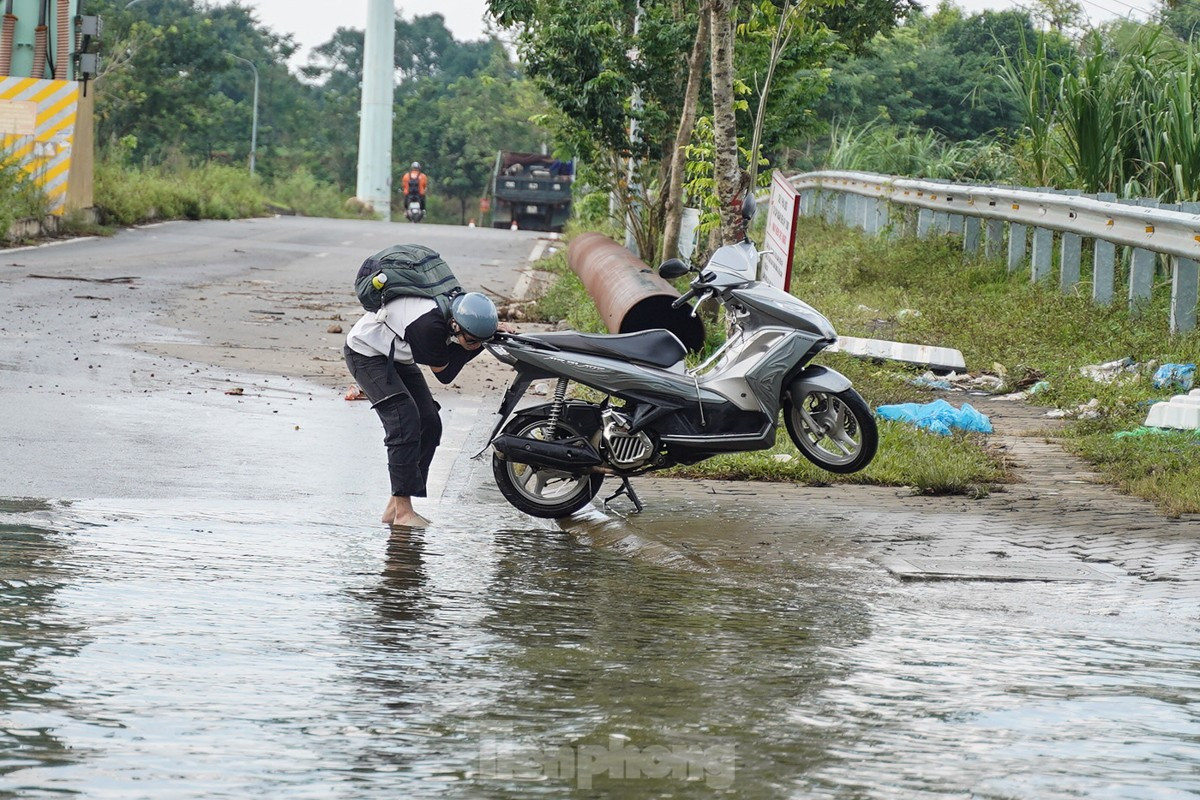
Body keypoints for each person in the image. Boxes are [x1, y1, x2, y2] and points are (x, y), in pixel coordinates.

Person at [344, 289, 508, 527]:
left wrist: (485, 337)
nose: (473, 346)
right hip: (366, 352)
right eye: (471, 340)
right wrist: (481, 345)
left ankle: (393, 509)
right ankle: (403, 512)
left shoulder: (458, 312)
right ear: (454, 325)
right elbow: (445, 373)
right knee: (403, 419)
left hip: (396, 354)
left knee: (429, 423)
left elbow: (458, 350)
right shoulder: (430, 327)